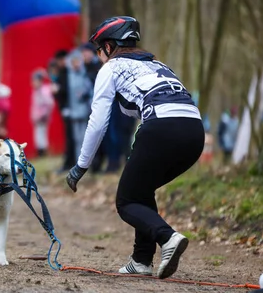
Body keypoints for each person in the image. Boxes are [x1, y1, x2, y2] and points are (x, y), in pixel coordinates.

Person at [66, 16, 204, 279]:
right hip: (194, 132)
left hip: (161, 127)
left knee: (127, 200)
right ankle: (141, 260)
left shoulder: (111, 68)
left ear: (108, 47)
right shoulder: (156, 64)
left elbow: (98, 121)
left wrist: (81, 164)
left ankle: (168, 238)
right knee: (141, 188)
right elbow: (132, 108)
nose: (98, 57)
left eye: (99, 51)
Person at [66, 49, 93, 163]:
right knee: (76, 138)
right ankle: (79, 160)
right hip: (73, 110)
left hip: (84, 109)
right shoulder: (70, 76)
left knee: (84, 137)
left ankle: (86, 160)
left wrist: (84, 94)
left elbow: (90, 90)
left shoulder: (84, 74)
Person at [51, 49, 75, 172]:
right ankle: (69, 161)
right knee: (69, 136)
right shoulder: (61, 73)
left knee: (72, 137)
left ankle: (71, 161)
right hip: (65, 109)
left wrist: (58, 90)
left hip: (72, 109)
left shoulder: (70, 72)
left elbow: (67, 90)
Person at [30, 69, 55, 157]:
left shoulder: (44, 90)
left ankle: (43, 152)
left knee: (42, 134)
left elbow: (50, 103)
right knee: (38, 134)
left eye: (35, 81)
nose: (33, 83)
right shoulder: (36, 91)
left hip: (43, 117)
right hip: (37, 118)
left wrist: (45, 114)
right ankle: (40, 151)